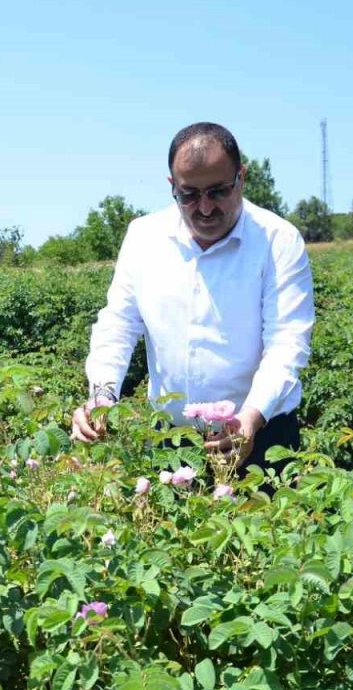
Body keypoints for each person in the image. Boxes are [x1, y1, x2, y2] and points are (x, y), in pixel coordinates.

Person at [70, 122, 316, 480]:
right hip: (171, 441)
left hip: (262, 433)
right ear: (172, 185)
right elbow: (118, 325)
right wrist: (102, 397)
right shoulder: (144, 237)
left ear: (241, 178)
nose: (204, 208)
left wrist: (250, 417)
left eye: (218, 192)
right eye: (188, 195)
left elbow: (287, 343)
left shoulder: (278, 241)